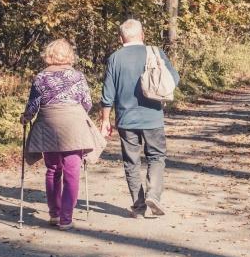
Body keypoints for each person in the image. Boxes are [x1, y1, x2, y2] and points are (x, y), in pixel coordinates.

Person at [20, 39, 105, 230]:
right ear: (69, 55)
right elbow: (87, 103)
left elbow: (33, 104)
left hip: (49, 124)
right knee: (72, 171)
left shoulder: (40, 77)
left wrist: (26, 117)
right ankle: (66, 218)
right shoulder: (78, 76)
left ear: (49, 55)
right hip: (73, 124)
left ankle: (54, 214)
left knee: (52, 169)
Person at [100, 19, 180, 218]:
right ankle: (154, 194)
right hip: (153, 117)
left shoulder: (115, 58)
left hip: (126, 120)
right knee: (156, 156)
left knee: (131, 161)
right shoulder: (155, 52)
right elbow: (174, 79)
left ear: (121, 38)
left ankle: (138, 205)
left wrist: (105, 120)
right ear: (142, 35)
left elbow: (107, 93)